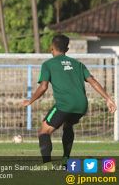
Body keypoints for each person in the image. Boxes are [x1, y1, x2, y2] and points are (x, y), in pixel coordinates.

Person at [21, 34, 117, 166]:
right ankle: (66, 159)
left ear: (51, 48)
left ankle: (47, 165)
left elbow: (43, 87)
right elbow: (93, 81)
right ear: (67, 49)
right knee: (68, 125)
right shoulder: (78, 64)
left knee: (44, 131)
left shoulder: (48, 64)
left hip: (65, 105)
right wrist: (108, 99)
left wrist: (30, 100)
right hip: (81, 106)